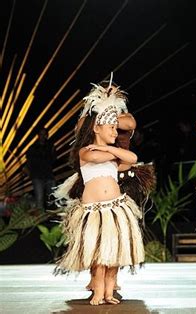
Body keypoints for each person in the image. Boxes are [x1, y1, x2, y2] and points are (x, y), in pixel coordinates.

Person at [54, 82, 145, 306]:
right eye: (111, 127)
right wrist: (109, 152)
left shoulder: (109, 153)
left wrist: (107, 148)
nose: (116, 131)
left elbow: (132, 159)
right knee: (98, 254)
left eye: (116, 127)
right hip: (93, 212)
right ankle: (97, 290)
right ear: (96, 128)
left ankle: (108, 292)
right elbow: (96, 158)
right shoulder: (85, 151)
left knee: (114, 253)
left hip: (116, 207)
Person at [25, 127, 56, 210]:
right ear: (38, 135)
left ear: (47, 135)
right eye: (40, 134)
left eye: (44, 134)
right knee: (39, 198)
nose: (42, 136)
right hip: (37, 176)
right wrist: (29, 173)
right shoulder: (33, 148)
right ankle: (40, 218)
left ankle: (51, 217)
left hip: (49, 175)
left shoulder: (50, 146)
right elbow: (28, 162)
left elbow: (54, 160)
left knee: (52, 197)